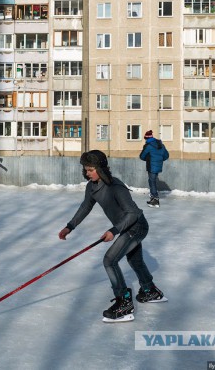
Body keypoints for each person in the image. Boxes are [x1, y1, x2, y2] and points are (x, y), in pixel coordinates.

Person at [58, 150, 166, 323]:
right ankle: (149, 290)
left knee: (110, 260)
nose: (88, 173)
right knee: (135, 260)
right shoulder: (92, 186)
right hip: (125, 227)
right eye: (86, 169)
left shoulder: (115, 186)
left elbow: (131, 213)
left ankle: (124, 302)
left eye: (91, 169)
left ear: (100, 169)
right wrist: (70, 226)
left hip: (136, 226)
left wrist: (113, 231)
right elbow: (85, 207)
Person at [139, 130, 169, 208]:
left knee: (152, 182)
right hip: (158, 165)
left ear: (146, 138)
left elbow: (142, 156)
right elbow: (166, 155)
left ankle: (155, 200)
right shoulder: (161, 145)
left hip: (151, 166)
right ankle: (153, 198)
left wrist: (148, 159)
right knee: (152, 181)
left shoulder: (148, 146)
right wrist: (159, 160)